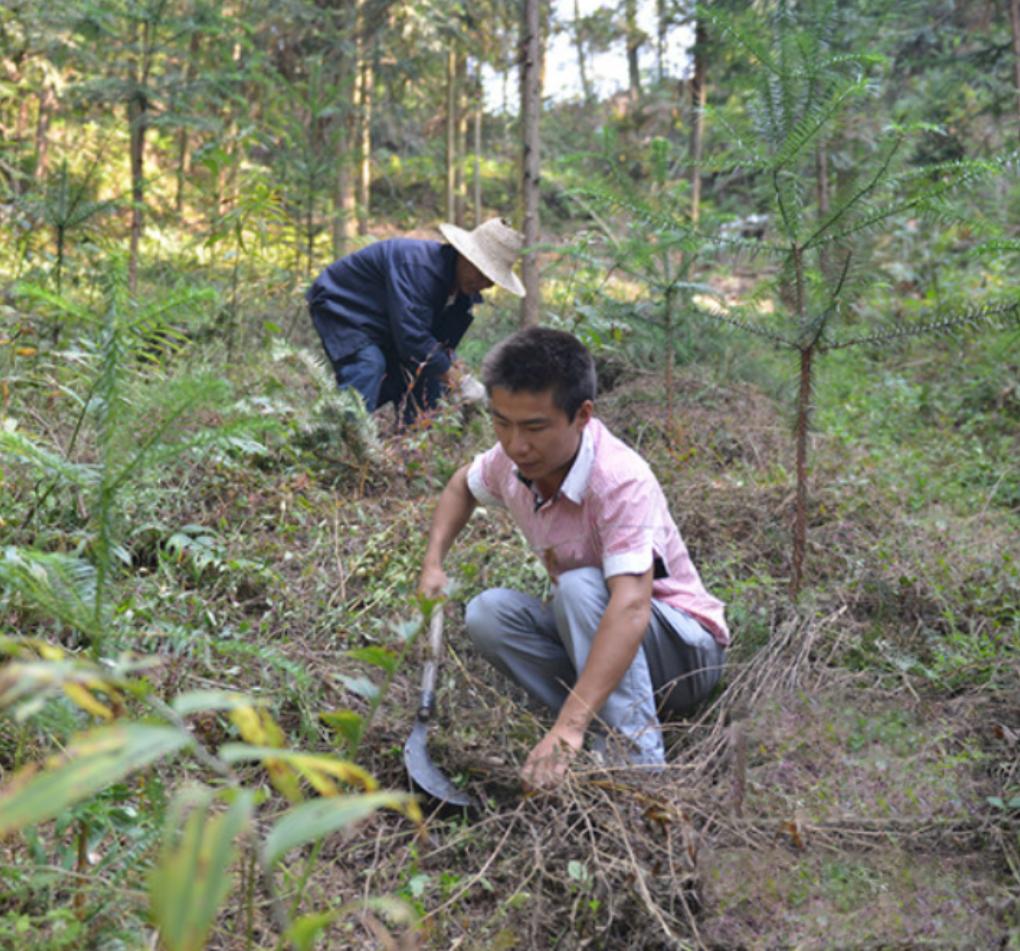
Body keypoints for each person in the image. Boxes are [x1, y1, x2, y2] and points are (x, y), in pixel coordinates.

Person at [418, 327, 730, 790]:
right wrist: (433, 563)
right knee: (488, 613)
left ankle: (637, 771)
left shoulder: (619, 480)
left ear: (583, 415)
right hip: (606, 636)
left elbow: (630, 606)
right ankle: (601, 717)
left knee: (582, 586)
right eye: (502, 422)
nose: (515, 444)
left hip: (685, 654)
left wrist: (567, 729)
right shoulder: (512, 463)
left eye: (535, 427)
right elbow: (460, 486)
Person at [306, 218, 525, 424]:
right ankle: (340, 437)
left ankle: (412, 447)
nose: (484, 283)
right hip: (343, 304)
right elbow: (413, 339)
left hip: (385, 321)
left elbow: (435, 349)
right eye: (481, 273)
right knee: (369, 365)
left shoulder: (461, 298)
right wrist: (459, 381)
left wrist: (458, 374)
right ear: (465, 256)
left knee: (427, 380)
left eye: (491, 279)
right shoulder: (418, 269)